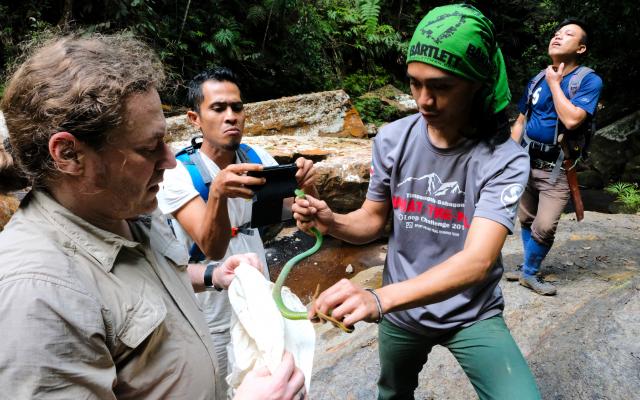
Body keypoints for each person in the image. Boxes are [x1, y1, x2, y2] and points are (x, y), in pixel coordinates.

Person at [0, 34, 304, 400]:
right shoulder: (37, 294)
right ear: (68, 154)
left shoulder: (127, 207)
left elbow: (141, 281)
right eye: (149, 148)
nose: (171, 160)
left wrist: (212, 274)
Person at [293, 4, 541, 399]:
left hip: (469, 313)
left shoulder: (504, 158)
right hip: (403, 314)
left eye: (441, 86)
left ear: (477, 84)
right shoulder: (393, 139)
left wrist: (378, 298)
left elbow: (478, 262)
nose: (424, 100)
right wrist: (331, 221)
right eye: (414, 83)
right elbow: (372, 221)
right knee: (392, 393)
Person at [157, 67, 317, 389]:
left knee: (269, 380)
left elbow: (302, 219)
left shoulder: (256, 157)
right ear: (194, 119)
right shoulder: (178, 173)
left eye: (237, 107)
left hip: (259, 297)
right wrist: (217, 191)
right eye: (218, 108)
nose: (231, 116)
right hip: (208, 311)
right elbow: (211, 247)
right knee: (215, 388)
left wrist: (307, 190)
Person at [508, 19, 603, 295]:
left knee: (545, 225)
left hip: (558, 167)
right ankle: (528, 269)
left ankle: (529, 271)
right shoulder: (538, 78)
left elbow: (573, 120)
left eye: (568, 34)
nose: (558, 37)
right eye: (556, 33)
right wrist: (509, 158)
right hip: (526, 161)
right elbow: (522, 119)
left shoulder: (588, 80)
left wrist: (555, 83)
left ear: (581, 48)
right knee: (525, 218)